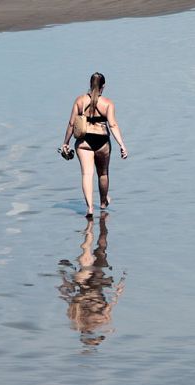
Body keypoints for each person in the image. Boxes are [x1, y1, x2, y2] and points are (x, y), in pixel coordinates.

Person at [61, 72, 128, 217]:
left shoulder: (79, 101)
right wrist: (122, 145)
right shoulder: (108, 103)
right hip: (102, 141)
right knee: (103, 174)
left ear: (90, 84)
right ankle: (103, 202)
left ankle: (90, 208)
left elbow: (72, 124)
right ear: (103, 86)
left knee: (87, 174)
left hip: (84, 141)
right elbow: (113, 125)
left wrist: (65, 143)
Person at [58, 213, 126, 347]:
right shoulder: (82, 320)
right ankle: (94, 224)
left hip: (94, 283)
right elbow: (69, 297)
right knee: (95, 250)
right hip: (91, 283)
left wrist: (119, 290)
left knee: (98, 249)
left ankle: (94, 224)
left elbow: (110, 305)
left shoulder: (85, 320)